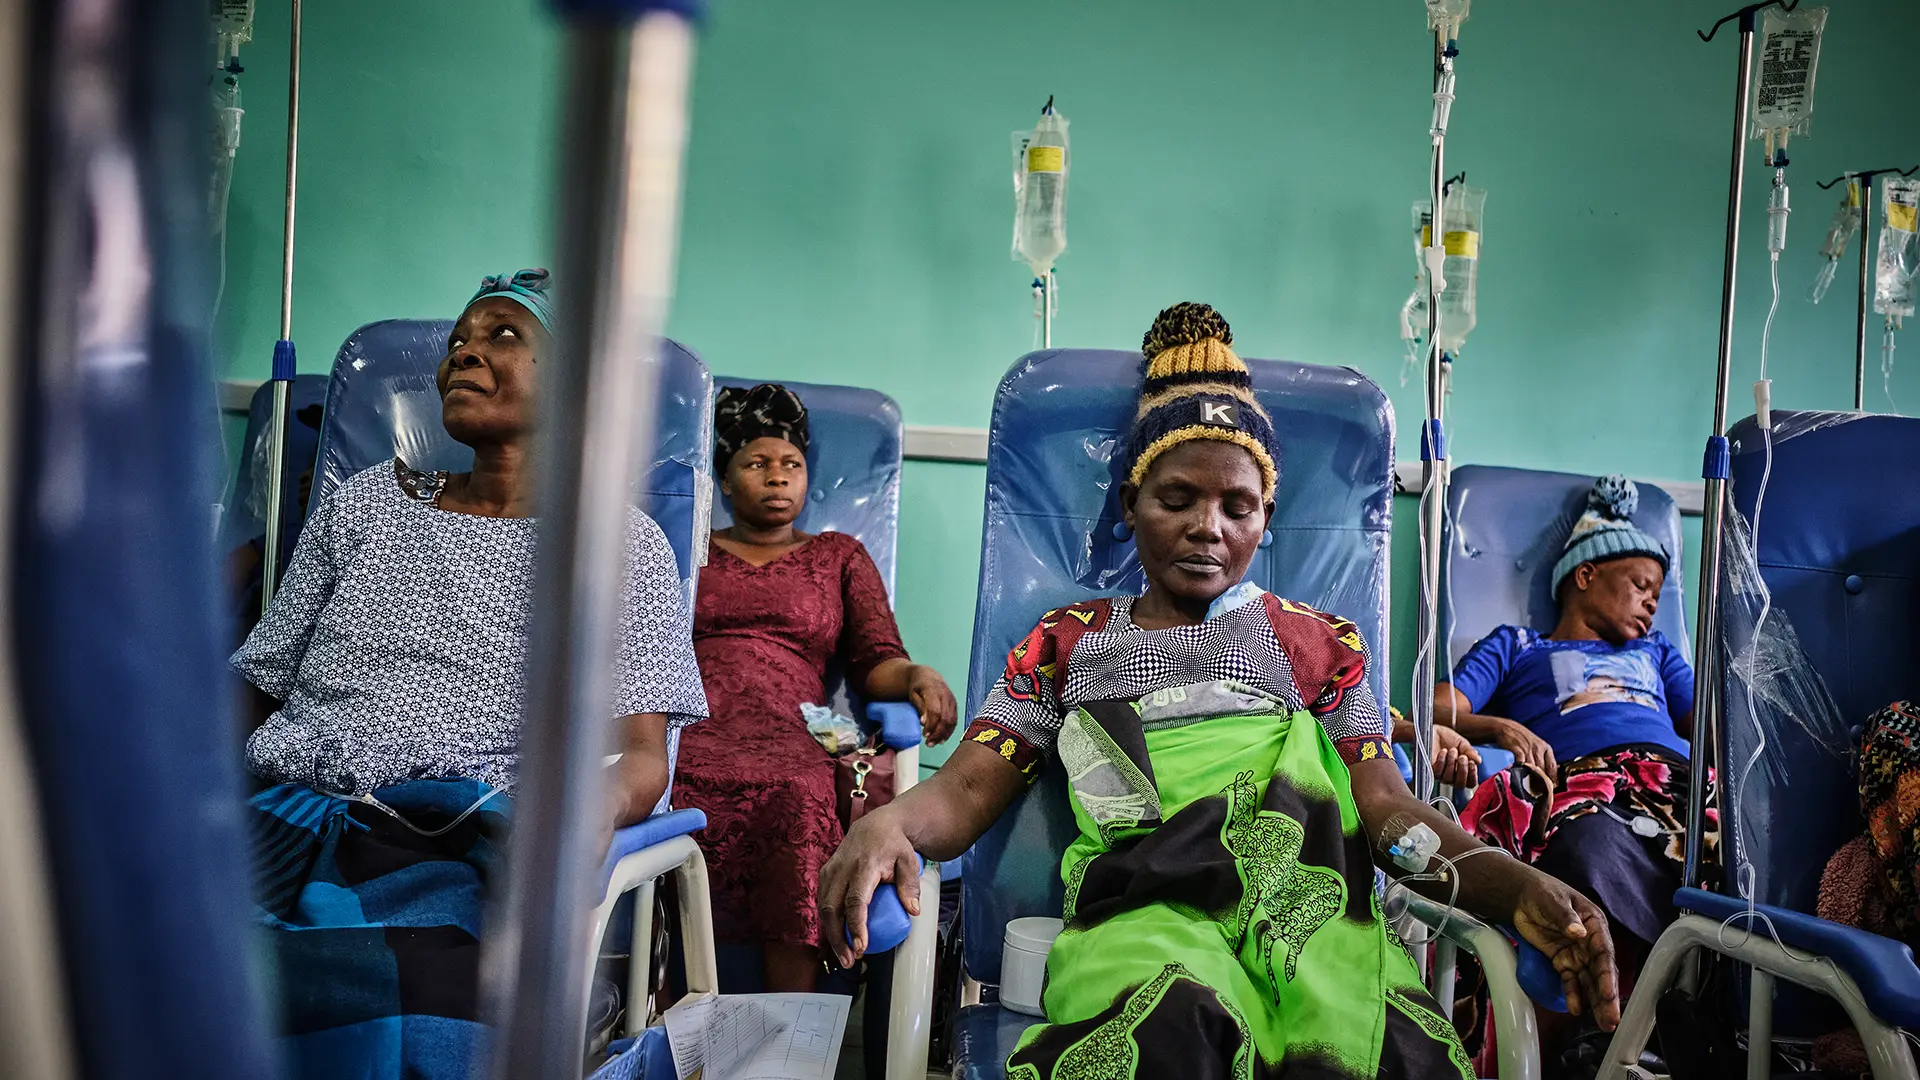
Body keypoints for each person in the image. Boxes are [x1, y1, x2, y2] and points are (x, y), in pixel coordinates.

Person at [819, 303, 1619, 1079]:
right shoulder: (1065, 643)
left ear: (1265, 519)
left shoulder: (1323, 644)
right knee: (1168, 1032)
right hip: (1143, 914)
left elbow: (1389, 816)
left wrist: (1516, 886)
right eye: (1177, 499)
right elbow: (963, 789)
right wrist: (892, 824)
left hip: (1311, 918)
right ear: (1131, 504)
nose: (1210, 526)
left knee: (1380, 1049)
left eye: (1238, 507)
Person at [233, 270, 707, 1080]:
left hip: (451, 837)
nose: (465, 356)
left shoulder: (618, 546)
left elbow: (639, 756)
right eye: (458, 343)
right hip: (285, 810)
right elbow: (259, 681)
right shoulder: (364, 503)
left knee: (422, 1014)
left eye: (503, 336)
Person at [674, 383, 958, 993]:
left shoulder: (839, 556)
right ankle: (666, 1016)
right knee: (665, 781)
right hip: (692, 715)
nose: (777, 477)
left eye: (792, 465)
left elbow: (876, 658)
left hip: (796, 719)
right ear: (724, 481)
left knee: (802, 786)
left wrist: (917, 676)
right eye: (756, 463)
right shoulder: (687, 551)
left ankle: (790, 1028)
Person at [1437, 476, 1710, 1068]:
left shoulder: (1656, 653)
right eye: (1640, 585)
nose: (1651, 603)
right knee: (1587, 842)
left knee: (1728, 850)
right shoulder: (1519, 647)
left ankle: (1701, 1017)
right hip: (1586, 783)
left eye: (1659, 595)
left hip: (1673, 784)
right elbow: (1441, 707)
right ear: (1586, 576)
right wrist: (1499, 729)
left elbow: (1712, 725)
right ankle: (1604, 1030)